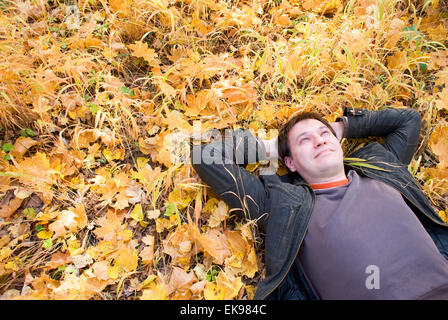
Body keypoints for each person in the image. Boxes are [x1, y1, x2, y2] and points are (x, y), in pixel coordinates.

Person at [191, 106, 448, 300]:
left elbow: (408, 120)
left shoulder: (381, 165)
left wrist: (342, 128)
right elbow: (205, 156)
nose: (319, 140)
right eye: (304, 140)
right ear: (289, 162)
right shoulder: (281, 206)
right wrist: (269, 148)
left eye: (323, 134)